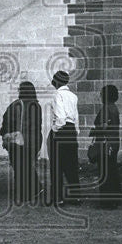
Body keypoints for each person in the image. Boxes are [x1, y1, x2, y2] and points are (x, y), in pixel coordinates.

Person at [0, 80, 43, 205]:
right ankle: (35, 188)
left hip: (19, 141)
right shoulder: (37, 106)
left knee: (19, 168)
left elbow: (6, 123)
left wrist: (5, 134)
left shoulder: (15, 105)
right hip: (34, 141)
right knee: (28, 165)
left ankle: (24, 194)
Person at [46, 70, 81, 207]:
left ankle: (58, 197)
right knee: (72, 164)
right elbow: (76, 116)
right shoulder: (73, 96)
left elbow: (60, 117)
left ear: (57, 82)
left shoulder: (57, 95)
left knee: (57, 165)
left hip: (61, 131)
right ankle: (76, 196)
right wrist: (75, 131)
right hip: (71, 131)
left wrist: (55, 130)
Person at [91, 84, 122, 209]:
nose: (100, 96)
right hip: (113, 142)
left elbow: (103, 126)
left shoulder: (105, 109)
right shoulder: (114, 108)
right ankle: (116, 198)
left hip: (105, 143)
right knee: (112, 170)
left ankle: (107, 201)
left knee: (104, 173)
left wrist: (94, 131)